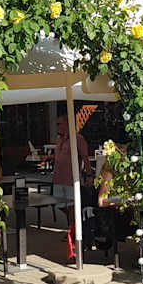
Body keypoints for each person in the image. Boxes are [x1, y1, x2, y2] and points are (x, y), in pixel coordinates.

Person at [52, 113, 92, 264]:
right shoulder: (58, 139)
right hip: (58, 178)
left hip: (71, 179)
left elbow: (86, 158)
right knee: (61, 205)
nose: (57, 127)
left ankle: (73, 232)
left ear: (67, 124)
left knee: (72, 206)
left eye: (59, 124)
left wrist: (89, 175)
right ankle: (71, 227)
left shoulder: (78, 139)